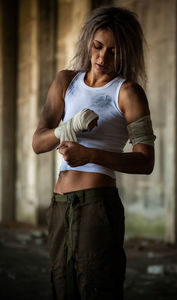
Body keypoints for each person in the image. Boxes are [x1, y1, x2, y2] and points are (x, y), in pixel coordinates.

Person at [32, 6, 156, 300]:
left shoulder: (128, 93)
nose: (102, 58)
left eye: (114, 51)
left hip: (98, 206)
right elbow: (38, 143)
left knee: (97, 288)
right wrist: (68, 128)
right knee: (62, 287)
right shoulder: (66, 82)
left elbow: (146, 161)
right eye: (98, 47)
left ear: (126, 53)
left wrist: (90, 155)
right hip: (60, 205)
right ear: (89, 42)